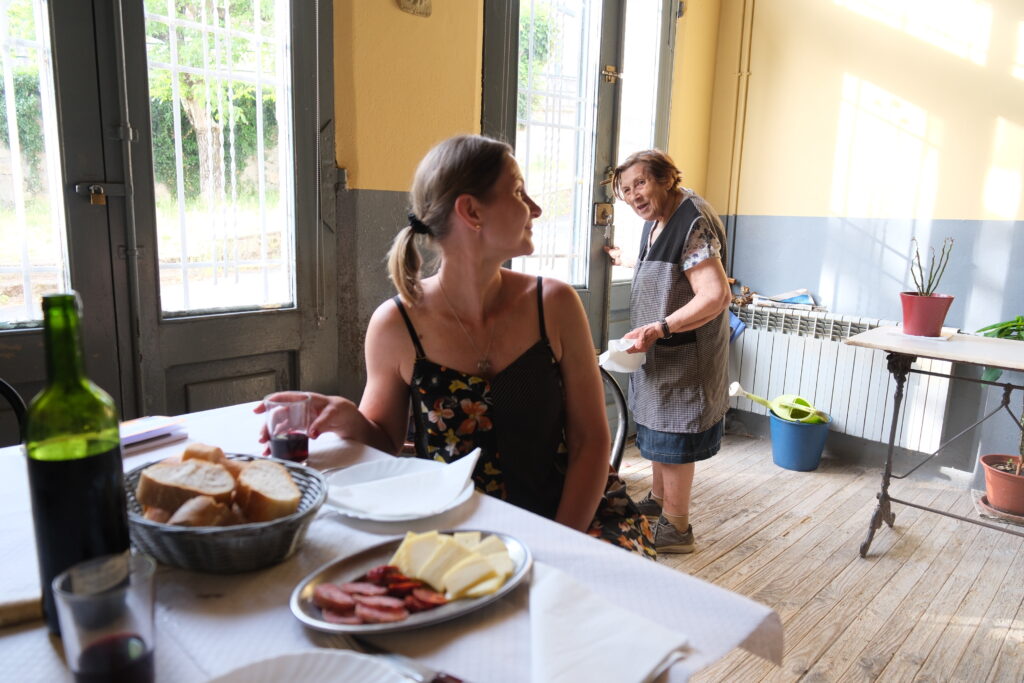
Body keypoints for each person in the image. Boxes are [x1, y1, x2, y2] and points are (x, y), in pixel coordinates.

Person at [260, 134, 653, 556]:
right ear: (471, 211)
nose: (535, 209)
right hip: (457, 528)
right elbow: (385, 442)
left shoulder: (554, 304)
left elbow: (590, 442)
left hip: (573, 518)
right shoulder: (396, 324)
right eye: (518, 192)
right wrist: (345, 418)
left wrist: (554, 545)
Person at [603, 149, 732, 553]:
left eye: (640, 183)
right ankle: (659, 501)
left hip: (682, 352)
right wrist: (626, 260)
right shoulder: (659, 218)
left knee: (673, 438)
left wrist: (660, 328)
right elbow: (672, 268)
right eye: (626, 190)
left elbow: (715, 295)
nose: (633, 196)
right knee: (658, 427)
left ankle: (676, 528)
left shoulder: (691, 221)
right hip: (658, 350)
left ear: (666, 179)